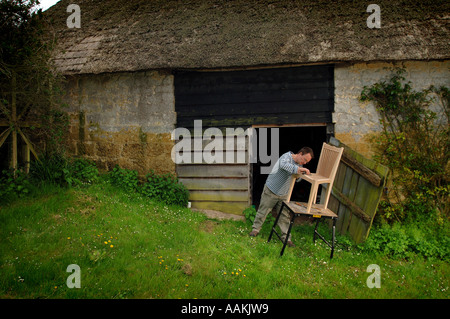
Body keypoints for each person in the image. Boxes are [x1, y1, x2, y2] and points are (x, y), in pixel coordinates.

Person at [249, 147, 314, 247]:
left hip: (284, 194)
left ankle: (286, 239)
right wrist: (298, 169)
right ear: (300, 154)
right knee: (263, 211)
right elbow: (284, 165)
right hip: (271, 189)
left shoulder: (299, 165)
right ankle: (255, 230)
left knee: (284, 217)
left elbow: (297, 180)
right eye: (304, 159)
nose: (304, 163)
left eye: (307, 162)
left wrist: (301, 175)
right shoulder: (286, 156)